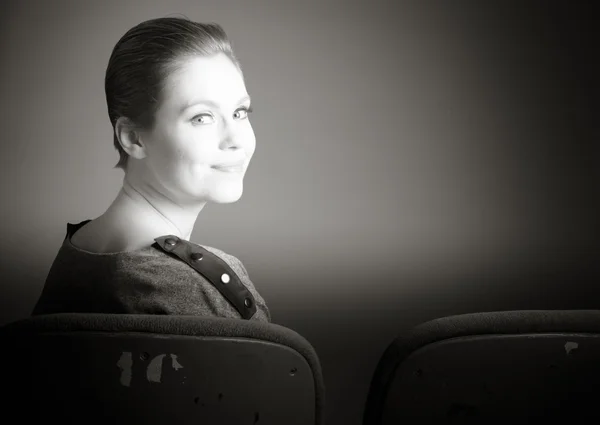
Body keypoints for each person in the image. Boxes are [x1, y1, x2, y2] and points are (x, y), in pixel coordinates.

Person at [32, 16, 271, 322]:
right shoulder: (203, 286)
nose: (235, 139)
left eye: (239, 112)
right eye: (202, 117)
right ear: (133, 138)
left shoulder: (78, 253)